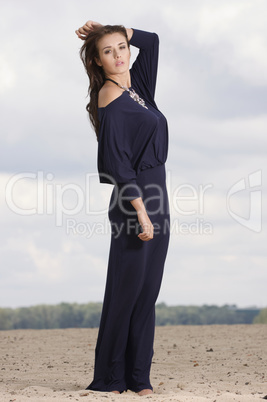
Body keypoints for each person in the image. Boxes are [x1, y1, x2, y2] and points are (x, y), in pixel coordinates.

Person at [75, 20, 170, 396]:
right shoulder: (110, 102)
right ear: (97, 62)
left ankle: (138, 378)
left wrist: (114, 29)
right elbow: (118, 165)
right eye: (108, 51)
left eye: (121, 48)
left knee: (147, 292)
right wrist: (142, 213)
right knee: (127, 291)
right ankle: (112, 378)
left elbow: (153, 41)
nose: (118, 56)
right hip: (135, 202)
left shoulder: (138, 88)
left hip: (157, 196)